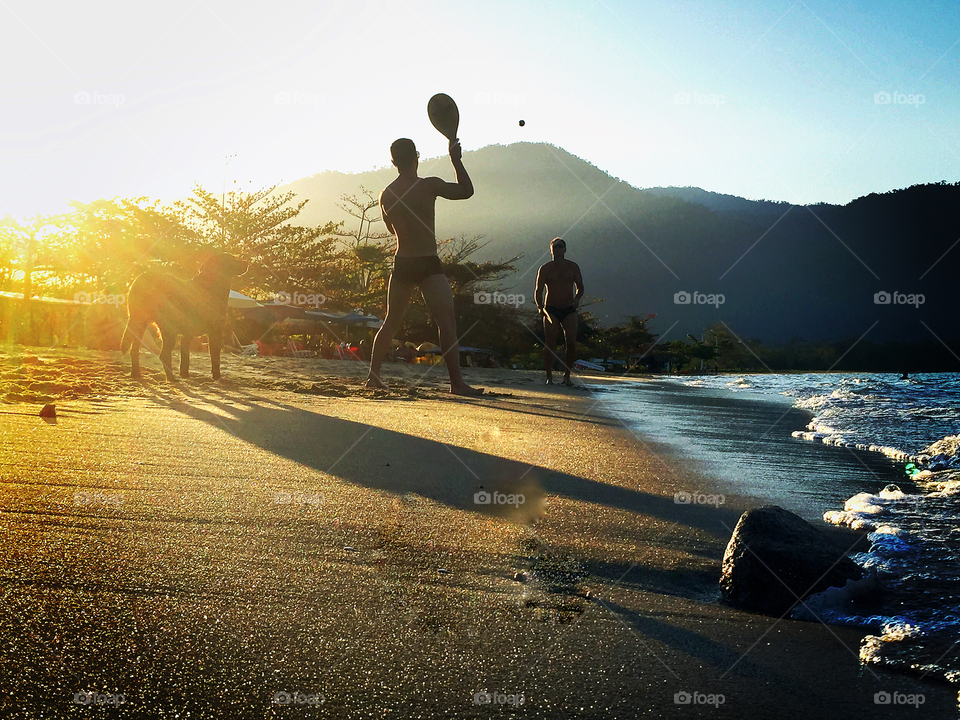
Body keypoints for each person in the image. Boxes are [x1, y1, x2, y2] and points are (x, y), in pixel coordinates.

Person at [365, 137, 483, 396]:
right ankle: (457, 384)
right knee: (446, 321)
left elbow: (391, 228)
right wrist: (455, 159)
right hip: (428, 262)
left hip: (403, 261)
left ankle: (373, 377)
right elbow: (466, 190)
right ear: (417, 157)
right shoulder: (429, 186)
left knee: (391, 322)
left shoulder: (386, 194)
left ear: (394, 162)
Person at [535, 237, 584, 386]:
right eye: (555, 247)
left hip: (569, 308)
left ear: (565, 249)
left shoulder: (573, 267)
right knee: (550, 342)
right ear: (551, 249)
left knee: (571, 342)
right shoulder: (545, 268)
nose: (558, 249)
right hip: (551, 309)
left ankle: (567, 376)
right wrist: (540, 306)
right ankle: (549, 376)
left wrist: (576, 299)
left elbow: (580, 287)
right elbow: (538, 289)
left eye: (560, 246)